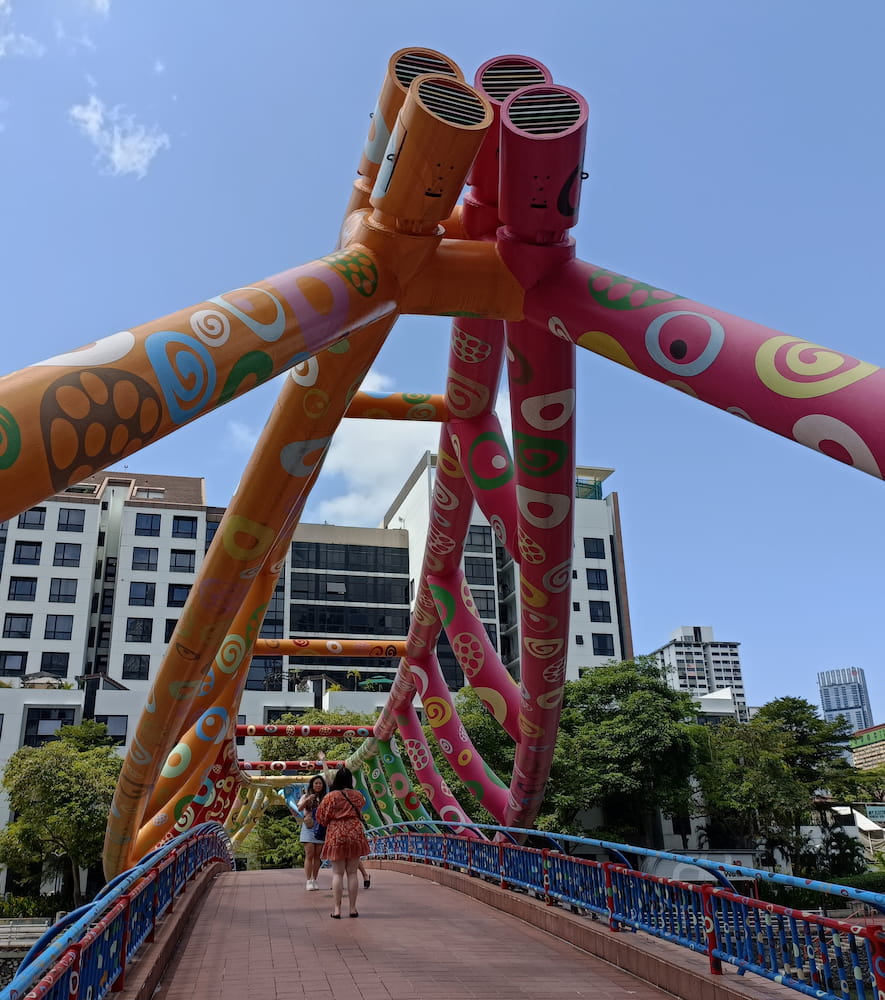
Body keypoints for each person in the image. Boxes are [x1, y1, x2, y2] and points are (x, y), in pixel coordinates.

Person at [315, 766, 370, 918]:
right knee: (352, 873)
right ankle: (353, 908)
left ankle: (337, 909)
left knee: (337, 873)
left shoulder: (331, 796)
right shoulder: (358, 795)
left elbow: (321, 817)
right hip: (355, 832)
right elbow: (363, 806)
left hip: (337, 833)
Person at [297, 773, 328, 891]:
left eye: (320, 783)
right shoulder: (305, 796)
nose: (318, 785)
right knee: (309, 854)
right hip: (309, 826)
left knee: (317, 856)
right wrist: (307, 800)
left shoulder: (326, 797)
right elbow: (299, 808)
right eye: (316, 783)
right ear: (312, 785)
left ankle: (314, 879)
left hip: (320, 827)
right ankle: (308, 880)